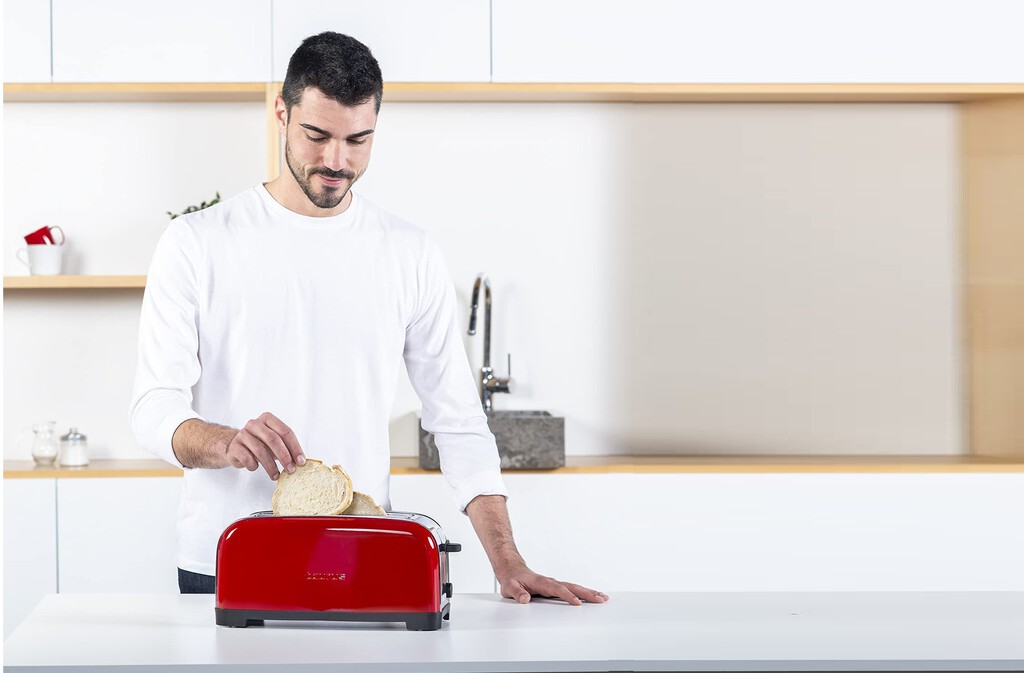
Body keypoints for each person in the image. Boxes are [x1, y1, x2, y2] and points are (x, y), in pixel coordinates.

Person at [129, 31, 607, 607]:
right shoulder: (196, 243)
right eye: (317, 135)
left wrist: (508, 563)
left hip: (357, 555)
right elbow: (153, 408)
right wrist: (225, 440)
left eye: (358, 140)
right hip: (226, 560)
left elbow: (457, 421)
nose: (336, 161)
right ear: (281, 113)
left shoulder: (408, 252)